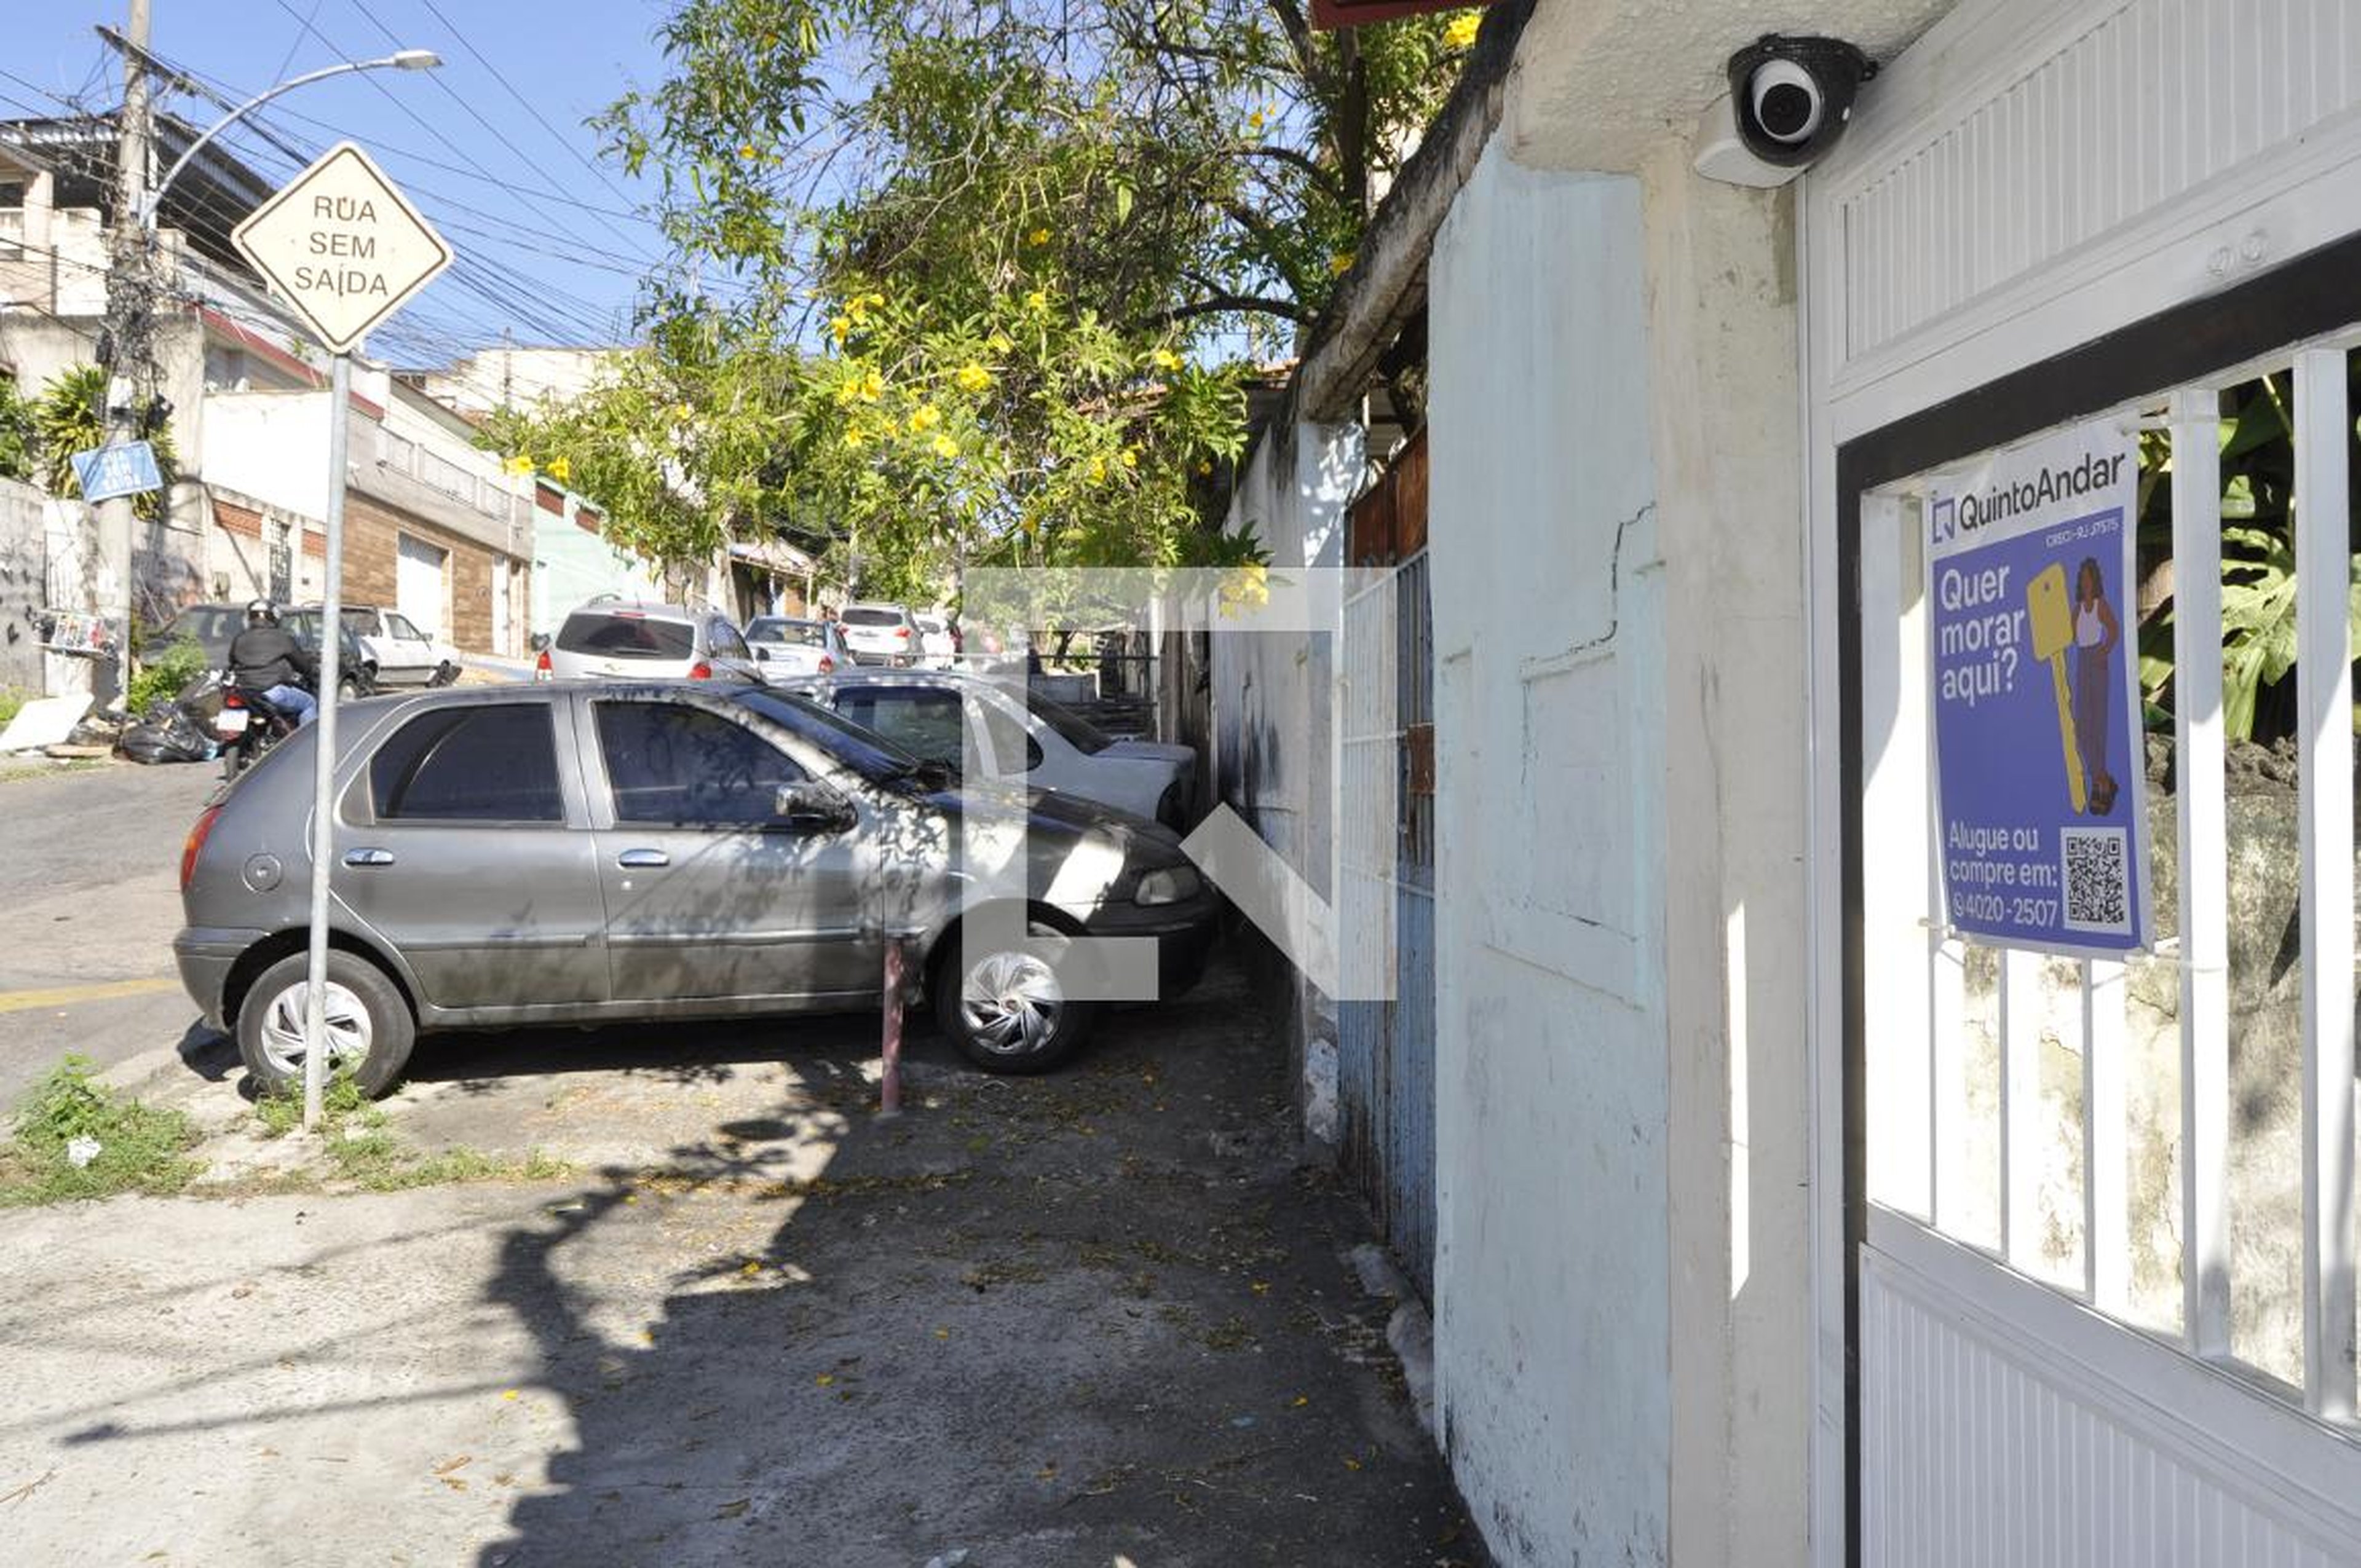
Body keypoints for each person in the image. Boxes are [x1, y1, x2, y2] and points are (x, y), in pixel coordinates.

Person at [2070, 556, 2121, 814]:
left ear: (2095, 580)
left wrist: (2103, 652)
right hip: (2082, 660)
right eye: (2082, 578)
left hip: (2096, 659)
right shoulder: (2078, 608)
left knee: (2097, 720)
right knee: (2082, 722)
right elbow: (2068, 634)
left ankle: (2100, 784)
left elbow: (2114, 629)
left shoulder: (2100, 605)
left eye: (2089, 578)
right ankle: (2102, 778)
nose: (2085, 582)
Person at [226, 599, 318, 727]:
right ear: (275, 617)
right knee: (310, 703)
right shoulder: (282, 637)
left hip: (245, 692)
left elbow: (232, 661)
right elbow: (302, 664)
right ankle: (306, 744)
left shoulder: (240, 638)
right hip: (272, 691)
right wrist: (312, 672)